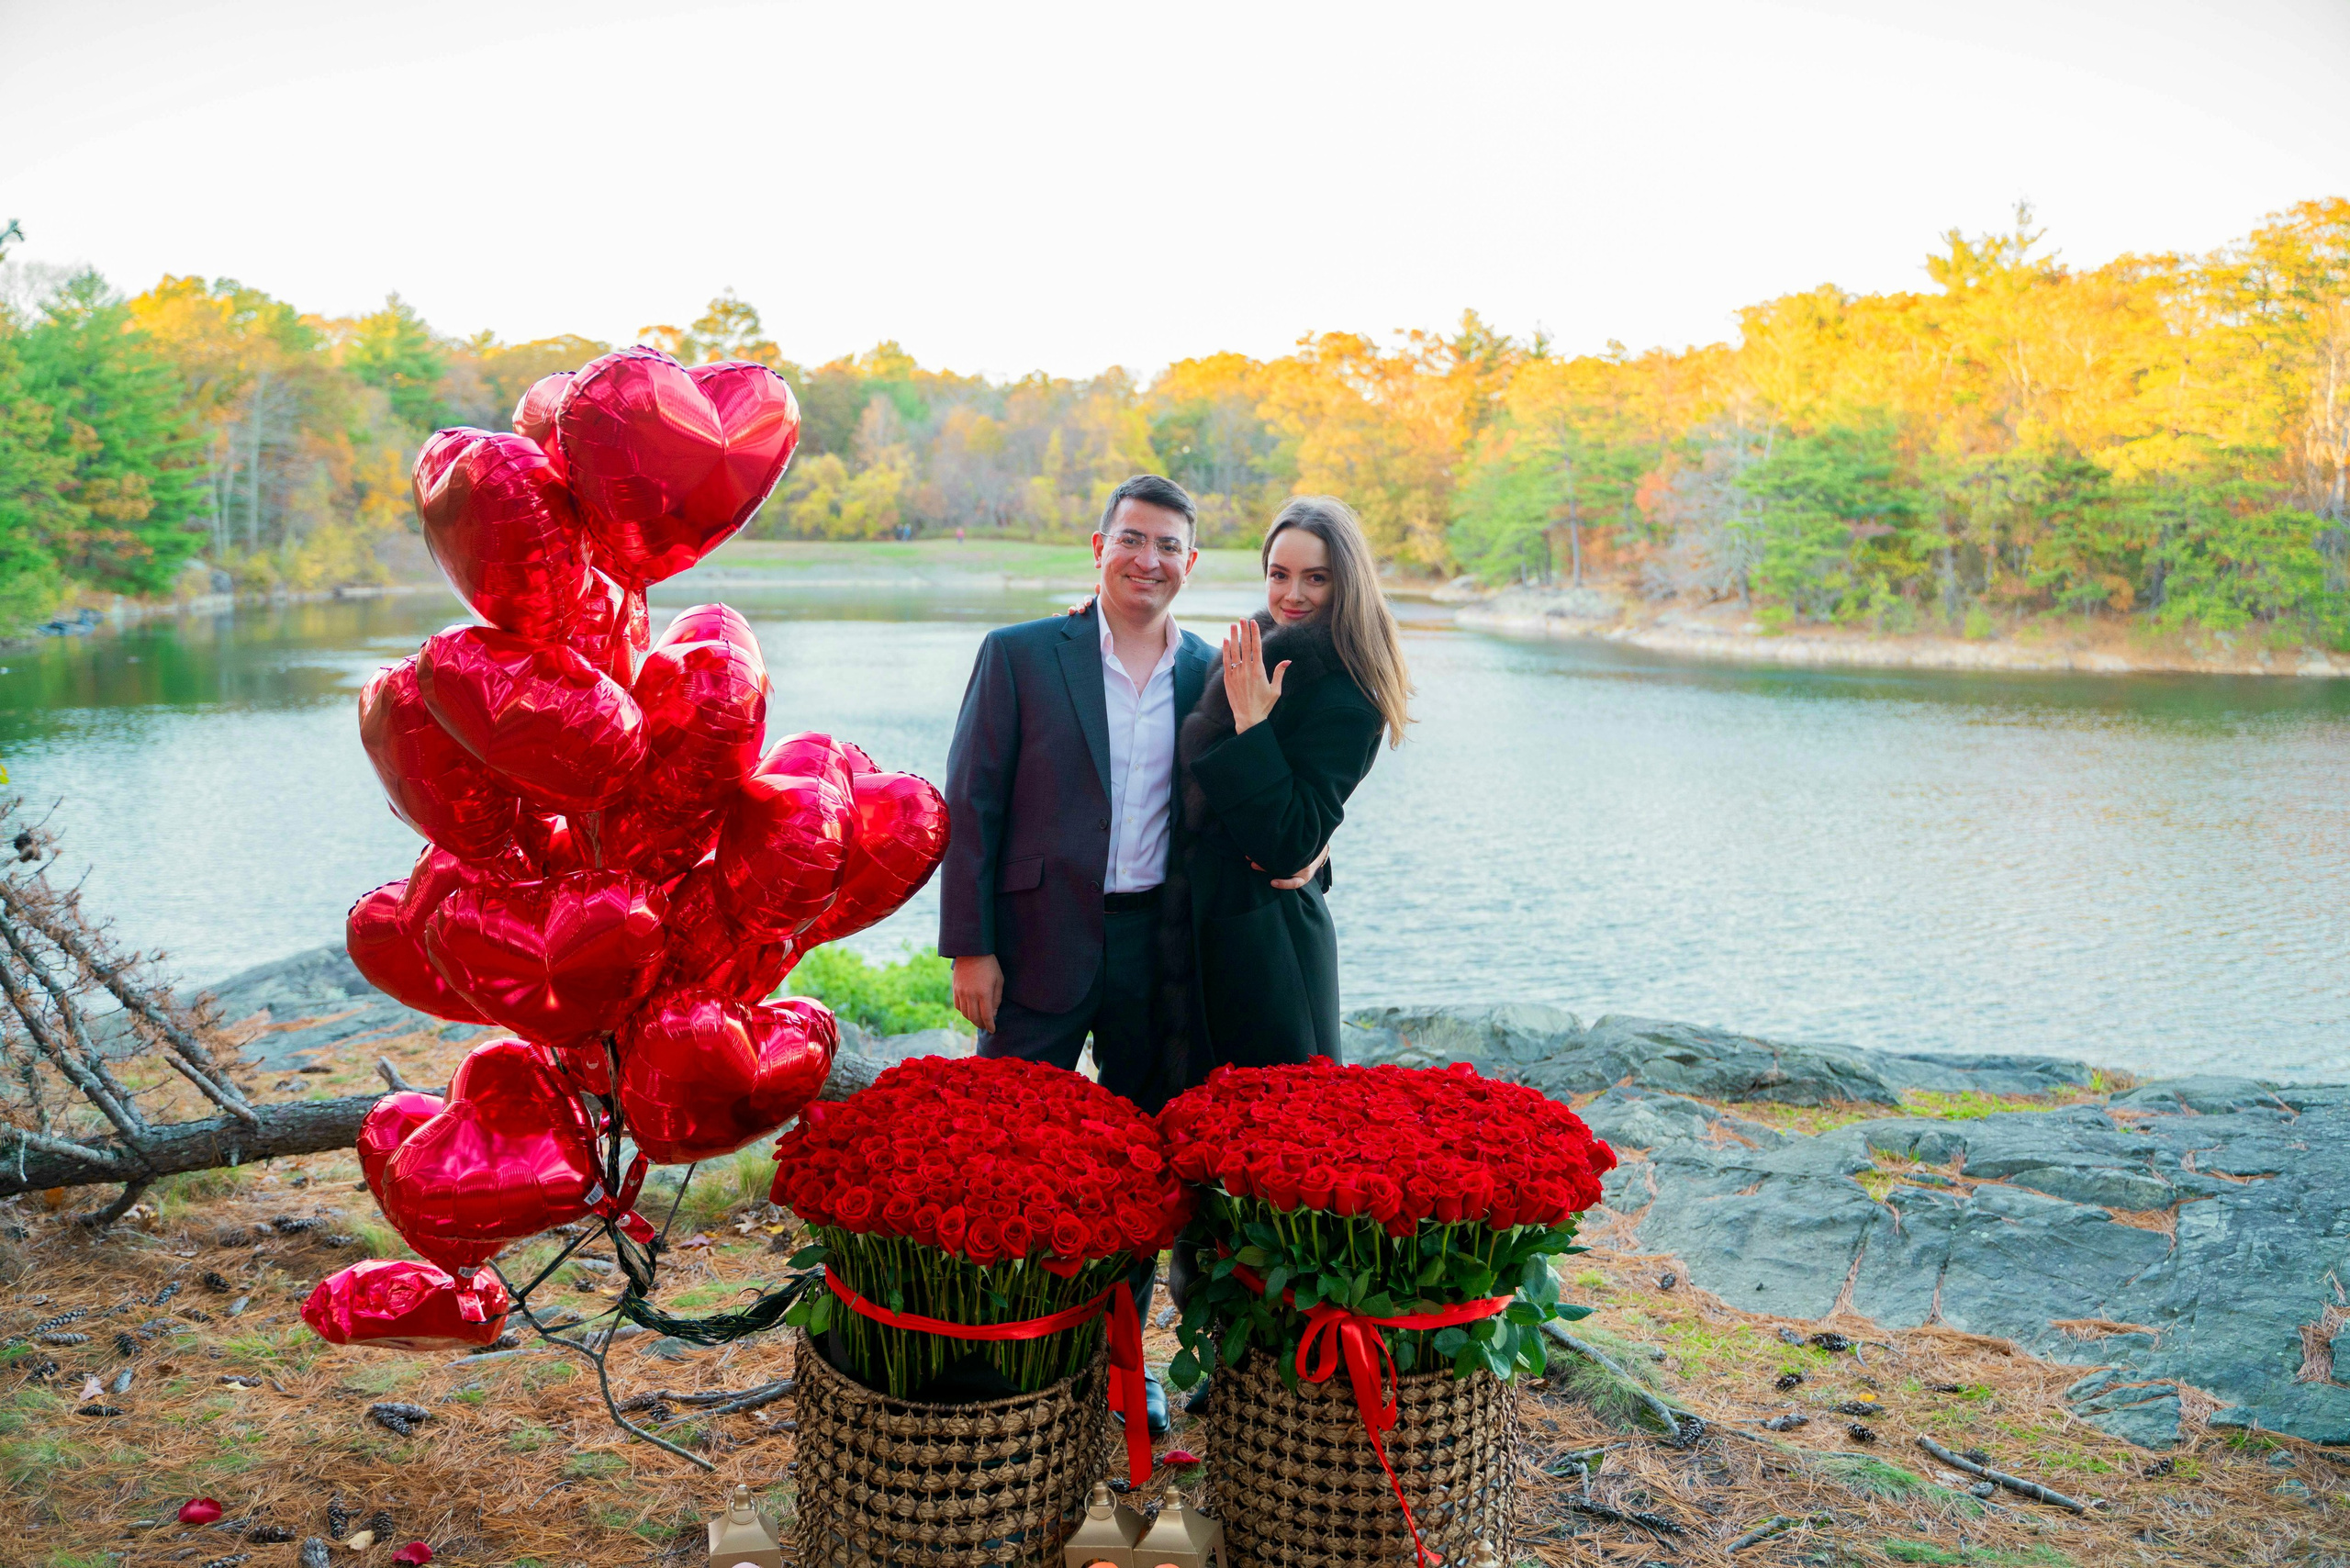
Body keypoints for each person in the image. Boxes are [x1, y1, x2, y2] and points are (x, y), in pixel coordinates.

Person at [938, 474, 1327, 1432]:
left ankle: (1126, 1365)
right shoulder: (1022, 654)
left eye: (1168, 548)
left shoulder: (1213, 669)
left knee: (1146, 1174)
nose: (1148, 560)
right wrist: (970, 949)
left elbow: (1273, 786)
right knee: (1013, 1154)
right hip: (1034, 951)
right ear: (1100, 545)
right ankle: (1010, 1358)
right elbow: (971, 805)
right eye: (1133, 540)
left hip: (1160, 954)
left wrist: (1316, 853)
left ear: (1191, 566)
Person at [1165, 494, 1411, 1074]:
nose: (1292, 595)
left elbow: (1289, 843)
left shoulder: (1348, 694)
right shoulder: (1247, 656)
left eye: (1316, 578)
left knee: (1273, 1142)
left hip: (1267, 954)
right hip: (1193, 937)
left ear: (1346, 584)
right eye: (1280, 574)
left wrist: (1253, 724)